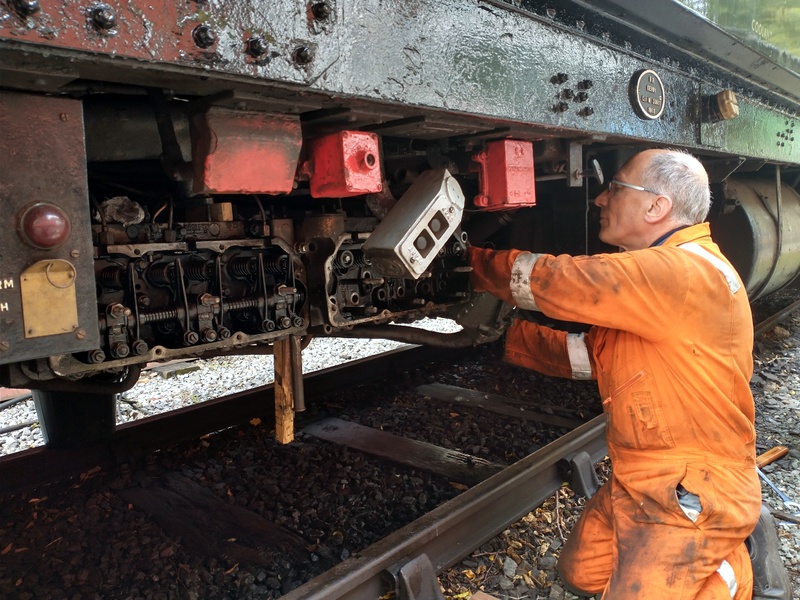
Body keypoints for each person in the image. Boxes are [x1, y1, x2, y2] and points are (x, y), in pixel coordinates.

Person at [469, 149, 763, 599]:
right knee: (581, 574)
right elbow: (594, 355)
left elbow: (564, 281)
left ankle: (730, 567)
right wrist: (509, 340)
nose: (600, 199)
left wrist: (468, 264)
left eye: (616, 187)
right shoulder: (674, 278)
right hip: (640, 474)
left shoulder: (681, 270)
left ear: (656, 206)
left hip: (690, 484)